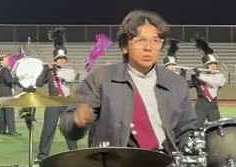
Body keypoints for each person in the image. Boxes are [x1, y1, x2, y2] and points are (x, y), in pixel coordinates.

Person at [63, 9, 200, 151]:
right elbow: (68, 127)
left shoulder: (176, 83)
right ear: (124, 46)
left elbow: (187, 130)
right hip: (117, 161)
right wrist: (77, 121)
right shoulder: (101, 79)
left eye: (155, 41)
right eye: (140, 40)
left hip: (165, 161)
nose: (148, 48)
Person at [36, 29, 77, 158]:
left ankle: (75, 153)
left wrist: (55, 69)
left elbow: (68, 77)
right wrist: (45, 70)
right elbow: (38, 83)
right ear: (55, 60)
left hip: (66, 103)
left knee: (69, 129)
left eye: (64, 59)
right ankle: (43, 154)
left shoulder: (69, 71)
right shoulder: (49, 72)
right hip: (53, 102)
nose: (62, 62)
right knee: (48, 129)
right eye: (59, 59)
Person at [190, 38, 225, 125]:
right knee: (196, 128)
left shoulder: (220, 76)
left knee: (216, 128)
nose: (213, 67)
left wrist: (199, 74)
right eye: (210, 65)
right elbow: (184, 85)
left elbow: (213, 82)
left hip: (213, 108)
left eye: (214, 65)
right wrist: (182, 73)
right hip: (200, 107)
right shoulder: (199, 77)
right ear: (206, 67)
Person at [0, 53, 18, 135]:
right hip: (6, 91)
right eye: (5, 60)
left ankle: (2, 130)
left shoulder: (0, 70)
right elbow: (8, 80)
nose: (7, 61)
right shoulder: (5, 69)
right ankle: (12, 130)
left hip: (1, 90)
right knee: (9, 110)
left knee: (3, 111)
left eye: (7, 60)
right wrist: (16, 79)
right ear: (1, 61)